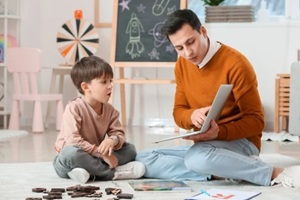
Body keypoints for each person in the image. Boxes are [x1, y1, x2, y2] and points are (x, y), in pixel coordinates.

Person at [136, 9, 300, 188]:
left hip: (242, 143)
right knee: (144, 158)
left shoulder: (236, 64)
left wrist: (218, 132)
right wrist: (192, 116)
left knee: (196, 158)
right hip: (208, 146)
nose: (188, 52)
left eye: (191, 42)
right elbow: (178, 113)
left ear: (203, 32)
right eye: (179, 48)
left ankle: (272, 173)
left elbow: (256, 121)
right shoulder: (182, 65)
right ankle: (223, 170)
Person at [53, 56, 145, 184]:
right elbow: (72, 141)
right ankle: (112, 173)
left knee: (130, 149)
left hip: (93, 156)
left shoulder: (110, 110)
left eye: (110, 81)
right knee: (70, 153)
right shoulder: (73, 108)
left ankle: (87, 172)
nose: (110, 86)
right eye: (104, 82)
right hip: (72, 158)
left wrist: (112, 140)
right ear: (86, 87)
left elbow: (119, 135)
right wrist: (102, 154)